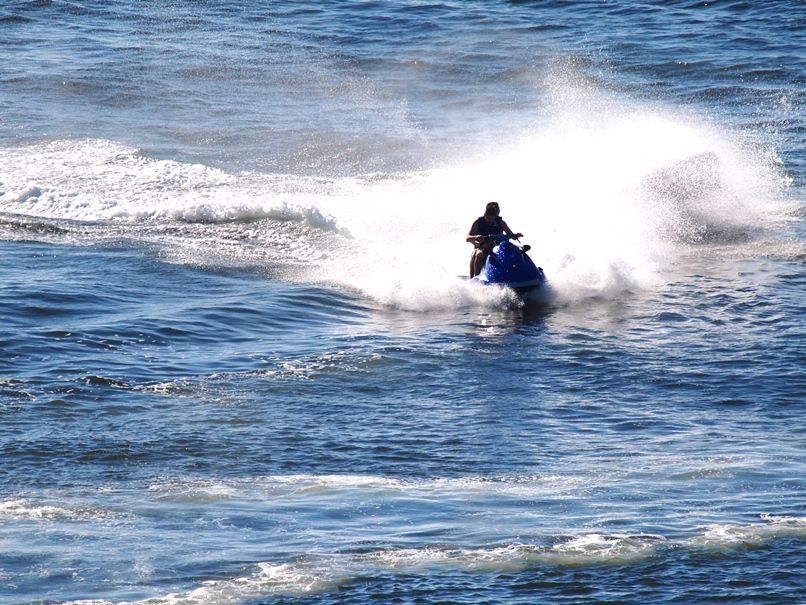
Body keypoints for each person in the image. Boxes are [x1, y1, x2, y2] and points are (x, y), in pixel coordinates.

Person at [466, 202, 523, 277]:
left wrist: (515, 236)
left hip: (497, 248)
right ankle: (475, 278)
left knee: (513, 252)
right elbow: (467, 238)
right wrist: (476, 237)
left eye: (492, 218)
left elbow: (511, 235)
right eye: (488, 218)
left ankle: (517, 274)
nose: (490, 221)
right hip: (482, 247)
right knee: (478, 254)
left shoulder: (501, 223)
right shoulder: (478, 222)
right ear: (485, 215)